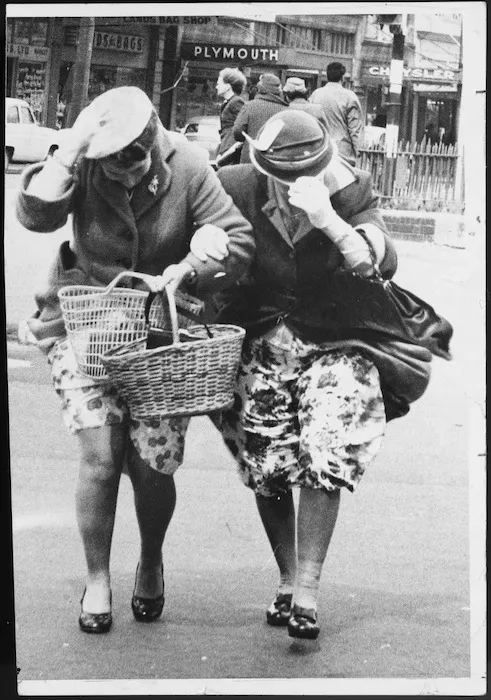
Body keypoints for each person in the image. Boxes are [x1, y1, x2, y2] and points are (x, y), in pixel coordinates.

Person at [15, 86, 255, 634]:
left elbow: (236, 239)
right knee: (100, 458)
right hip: (84, 325)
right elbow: (34, 215)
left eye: (133, 166)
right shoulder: (87, 164)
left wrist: (193, 265)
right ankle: (96, 577)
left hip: (160, 336)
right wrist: (71, 150)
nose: (121, 177)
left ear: (152, 148)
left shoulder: (191, 167)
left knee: (151, 465)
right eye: (111, 168)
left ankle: (150, 558)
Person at [211, 110, 433, 640]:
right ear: (261, 166)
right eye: (283, 179)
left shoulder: (349, 187)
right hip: (261, 335)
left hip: (335, 338)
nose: (292, 188)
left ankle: (308, 588)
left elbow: (377, 265)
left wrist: (328, 219)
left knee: (327, 448)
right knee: (265, 463)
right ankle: (286, 578)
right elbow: (205, 243)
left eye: (304, 176)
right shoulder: (235, 185)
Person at [310, 61, 363, 166]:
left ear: (327, 76)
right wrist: (358, 151)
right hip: (342, 152)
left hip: (320, 149)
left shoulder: (316, 95)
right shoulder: (350, 97)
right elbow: (355, 129)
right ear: (342, 77)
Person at [232, 72, 288, 164]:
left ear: (260, 89)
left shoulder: (249, 106)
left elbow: (237, 131)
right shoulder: (285, 110)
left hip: (250, 158)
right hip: (275, 161)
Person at [215, 67, 247, 163]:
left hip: (230, 151)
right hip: (226, 147)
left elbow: (242, 126)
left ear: (228, 86)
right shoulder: (230, 102)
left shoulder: (236, 101)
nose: (216, 87)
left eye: (219, 83)